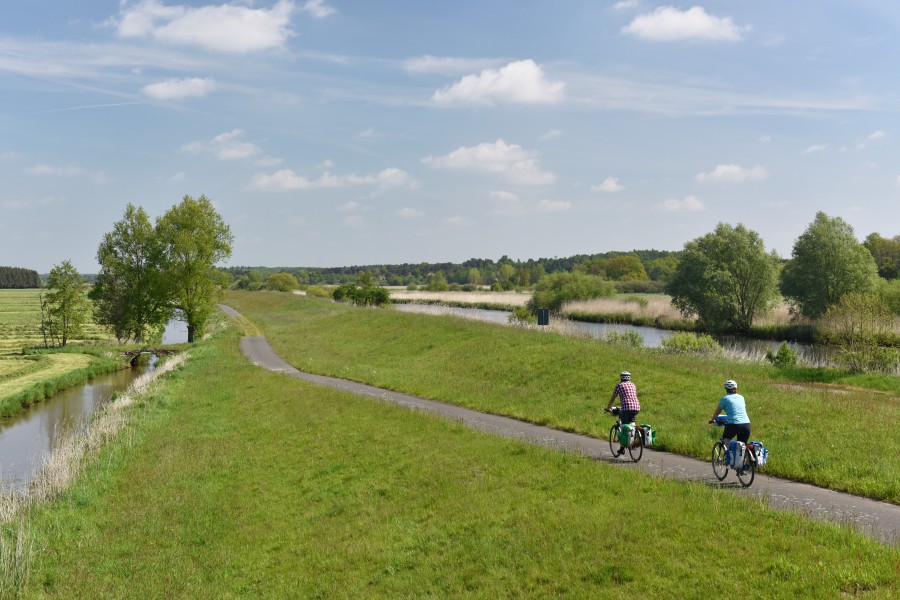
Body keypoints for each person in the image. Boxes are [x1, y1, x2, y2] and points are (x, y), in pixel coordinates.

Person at [606, 371, 641, 455]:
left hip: (626, 408)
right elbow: (630, 396)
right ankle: (635, 439)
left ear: (621, 378)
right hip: (636, 407)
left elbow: (613, 397)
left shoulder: (619, 385)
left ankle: (622, 449)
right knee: (632, 423)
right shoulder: (633, 385)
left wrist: (608, 407)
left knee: (624, 427)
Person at [709, 379, 751, 447]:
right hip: (746, 424)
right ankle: (745, 457)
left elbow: (717, 412)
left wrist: (712, 420)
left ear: (726, 389)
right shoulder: (741, 397)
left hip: (734, 424)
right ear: (736, 388)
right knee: (742, 446)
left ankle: (730, 455)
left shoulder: (725, 398)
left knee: (726, 438)